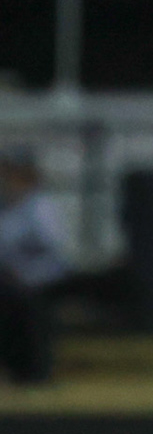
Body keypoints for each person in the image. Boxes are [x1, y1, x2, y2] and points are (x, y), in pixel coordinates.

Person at [0, 144, 68, 385]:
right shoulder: (6, 209)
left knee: (27, 306)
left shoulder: (41, 206)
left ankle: (34, 372)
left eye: (16, 173)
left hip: (40, 280)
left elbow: (52, 250)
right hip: (10, 283)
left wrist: (22, 271)